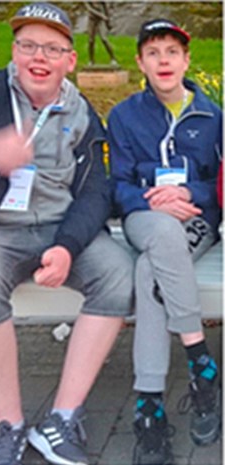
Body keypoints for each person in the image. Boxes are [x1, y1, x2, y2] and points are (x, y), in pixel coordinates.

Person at [0, 4, 134, 465]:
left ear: (69, 60)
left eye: (52, 48)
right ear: (14, 52)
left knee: (118, 274)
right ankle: (9, 425)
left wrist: (67, 246)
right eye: (29, 45)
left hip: (59, 229)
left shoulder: (82, 112)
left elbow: (96, 190)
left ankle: (62, 419)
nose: (40, 57)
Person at [107, 19, 222, 464]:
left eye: (172, 51)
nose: (164, 60)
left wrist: (188, 192)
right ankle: (199, 361)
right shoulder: (124, 116)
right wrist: (150, 199)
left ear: (186, 60)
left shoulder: (214, 117)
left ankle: (149, 405)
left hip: (194, 219)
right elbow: (116, 184)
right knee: (157, 235)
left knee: (147, 269)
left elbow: (220, 184)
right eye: (153, 53)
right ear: (141, 62)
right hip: (143, 216)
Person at [83, 2, 118, 67]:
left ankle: (113, 58)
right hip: (92, 20)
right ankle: (91, 60)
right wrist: (102, 15)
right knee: (91, 41)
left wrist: (108, 21)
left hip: (101, 21)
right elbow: (90, 9)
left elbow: (106, 9)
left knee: (104, 39)